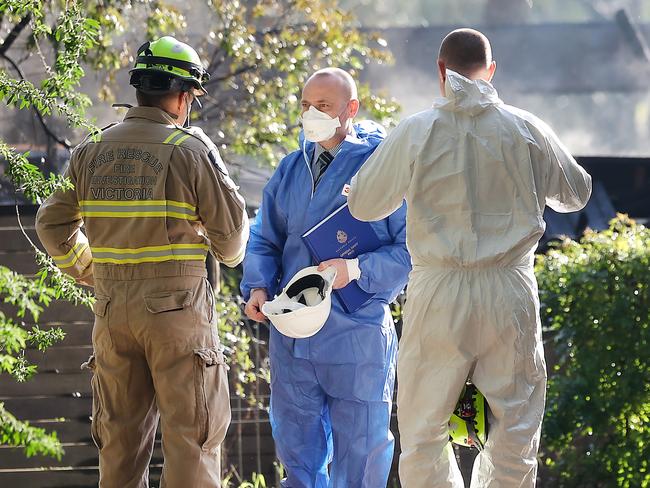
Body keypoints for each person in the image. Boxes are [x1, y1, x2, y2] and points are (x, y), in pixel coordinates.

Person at [348, 28, 592, 488]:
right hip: (509, 291)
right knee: (516, 430)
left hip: (439, 290)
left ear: (440, 71)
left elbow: (363, 204)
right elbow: (576, 194)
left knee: (423, 432)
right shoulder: (527, 128)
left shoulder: (417, 130)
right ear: (492, 72)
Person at [35, 36, 249, 488]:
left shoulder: (92, 149)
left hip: (112, 315)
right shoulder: (190, 150)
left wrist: (92, 271)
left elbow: (52, 226)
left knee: (119, 448)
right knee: (192, 443)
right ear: (182, 94)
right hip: (177, 319)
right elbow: (231, 247)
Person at [241, 68, 411, 488]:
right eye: (305, 105)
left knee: (361, 456)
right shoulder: (290, 169)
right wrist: (259, 286)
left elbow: (413, 251)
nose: (311, 114)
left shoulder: (381, 168)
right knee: (298, 455)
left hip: (357, 335)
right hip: (294, 335)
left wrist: (354, 270)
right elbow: (264, 237)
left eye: (324, 106)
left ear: (351, 109)